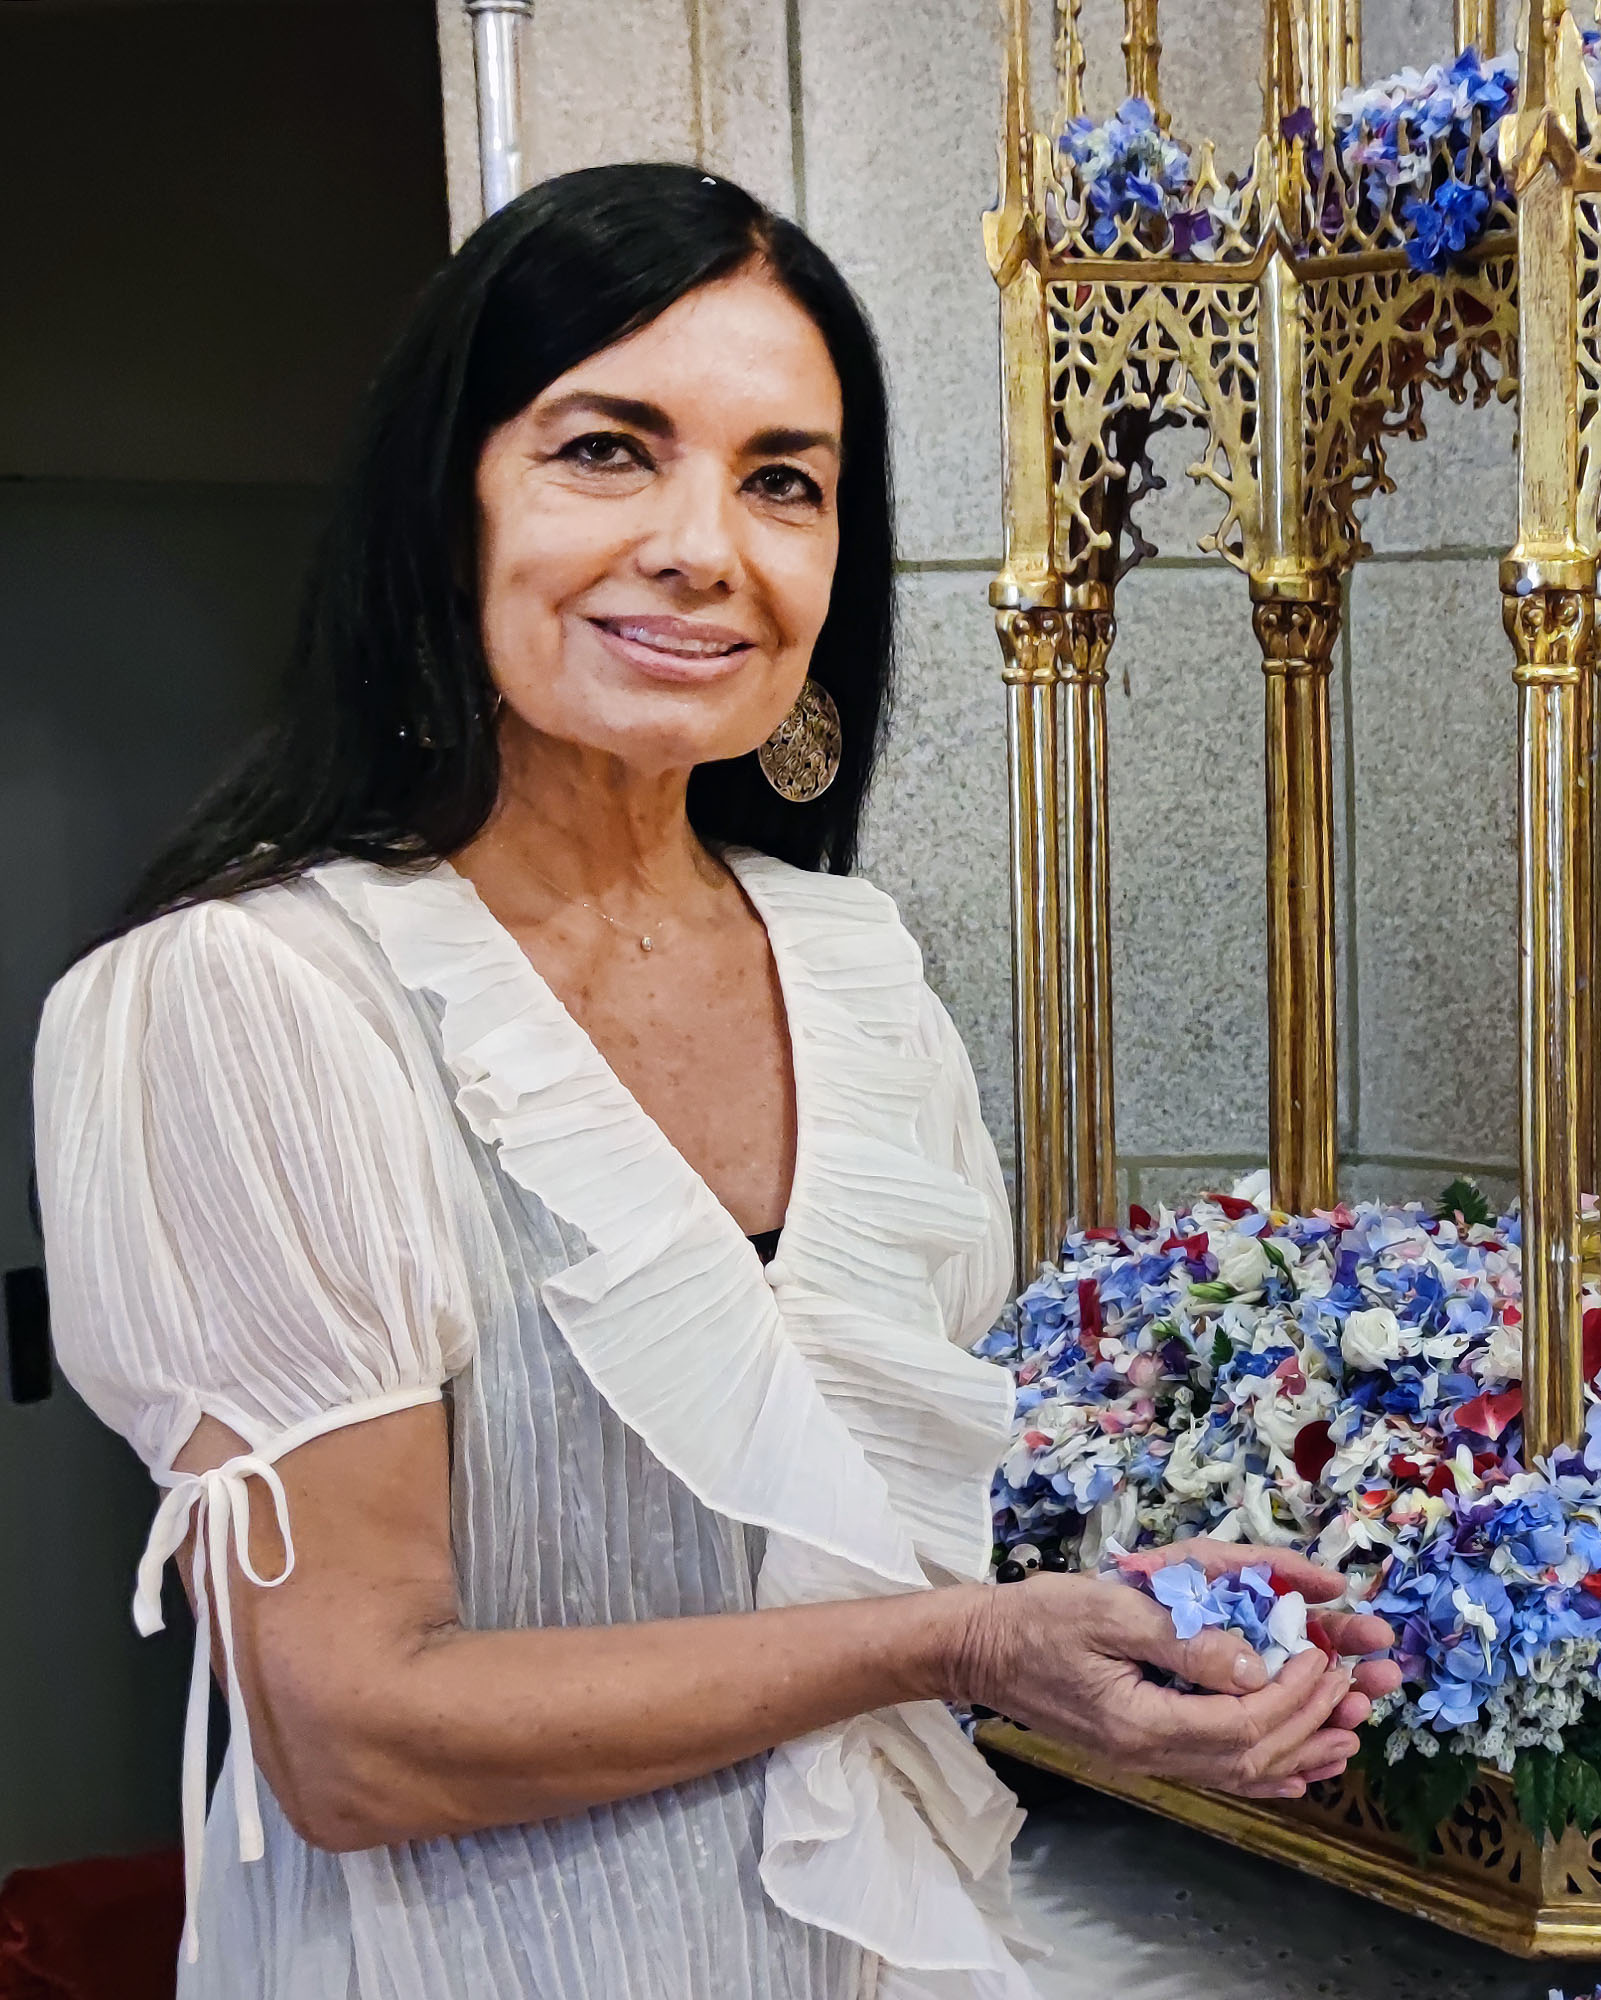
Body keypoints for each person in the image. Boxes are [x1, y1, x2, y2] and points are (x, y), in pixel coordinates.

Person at [32, 163, 1394, 1999]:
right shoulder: (251, 997)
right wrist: (962, 1643)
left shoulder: (855, 972)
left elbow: (828, 1551)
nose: (704, 547)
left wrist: (1121, 1626)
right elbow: (354, 1736)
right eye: (607, 450)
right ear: (444, 506)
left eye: (782, 481)